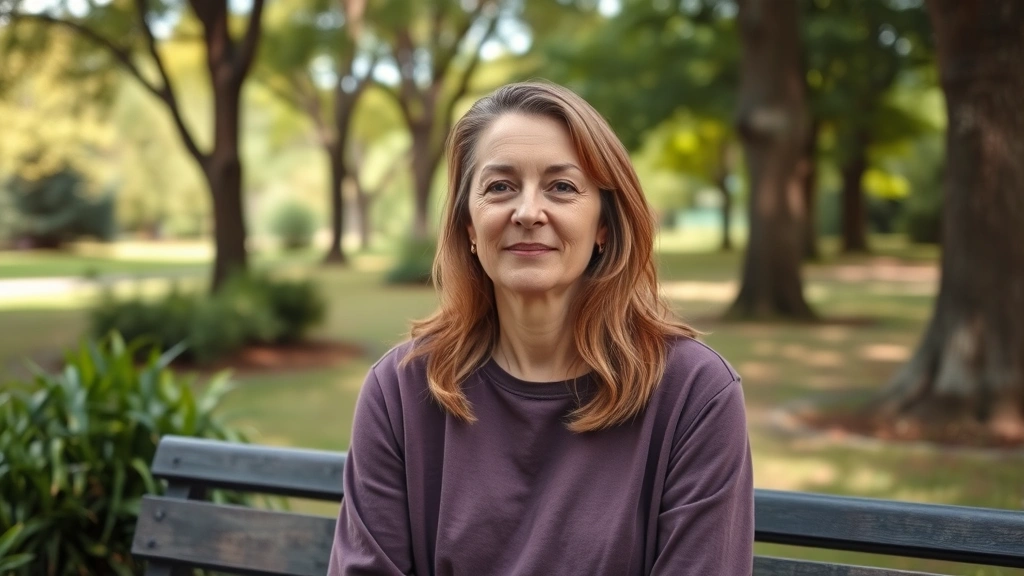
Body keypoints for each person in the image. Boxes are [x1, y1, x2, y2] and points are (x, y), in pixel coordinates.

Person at [328, 81, 753, 576]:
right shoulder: (400, 390)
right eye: (500, 186)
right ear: (468, 223)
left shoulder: (694, 395)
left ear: (603, 226)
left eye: (562, 187)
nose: (528, 212)